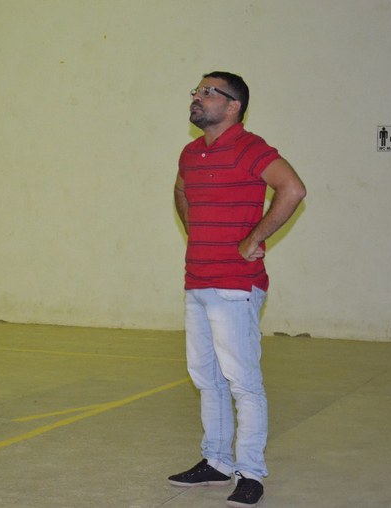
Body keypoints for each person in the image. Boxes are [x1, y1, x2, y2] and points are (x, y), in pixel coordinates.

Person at [169, 71, 306, 507]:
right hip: (197, 279)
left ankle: (250, 472)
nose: (197, 97)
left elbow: (292, 189)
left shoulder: (251, 148)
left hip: (235, 285)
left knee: (242, 382)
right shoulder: (191, 152)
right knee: (206, 378)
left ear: (233, 106)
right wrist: (196, 231)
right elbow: (181, 190)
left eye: (208, 92)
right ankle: (216, 461)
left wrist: (253, 238)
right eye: (196, 90)